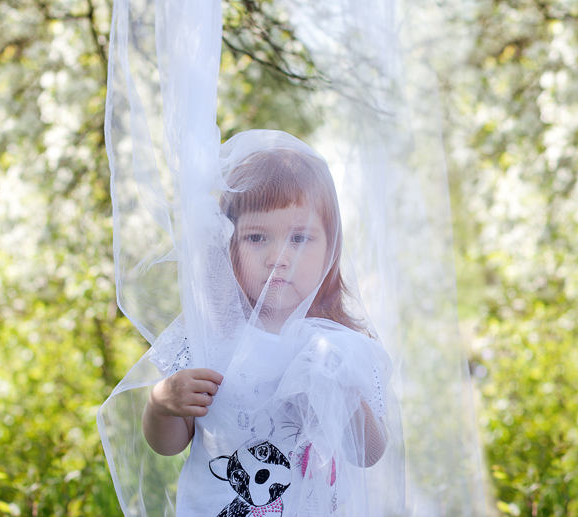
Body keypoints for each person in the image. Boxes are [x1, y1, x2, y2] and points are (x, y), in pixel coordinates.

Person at [140, 140, 393, 516]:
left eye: (299, 238)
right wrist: (161, 405)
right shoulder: (209, 337)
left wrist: (343, 393)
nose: (278, 258)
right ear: (229, 247)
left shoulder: (340, 346)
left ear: (330, 249)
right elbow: (170, 445)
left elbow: (368, 453)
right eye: (256, 238)